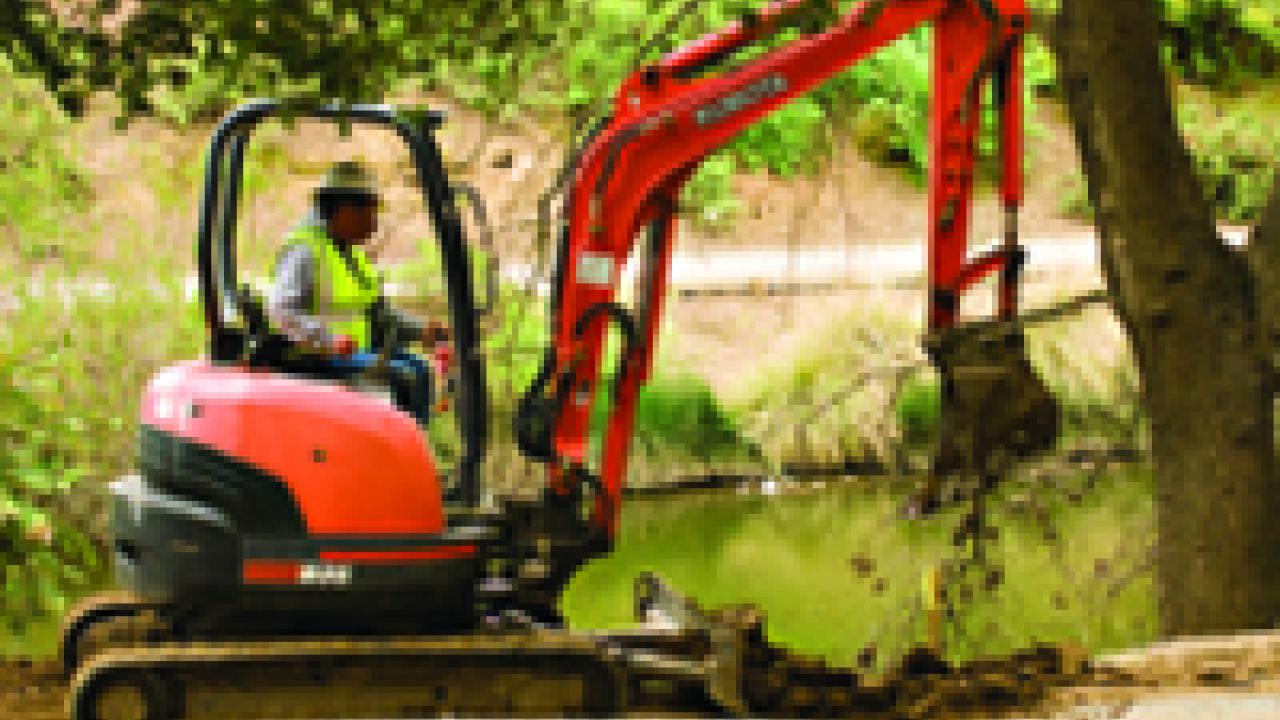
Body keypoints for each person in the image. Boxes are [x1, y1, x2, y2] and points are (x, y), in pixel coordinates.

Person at [268, 160, 448, 426]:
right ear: (343, 209)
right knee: (401, 378)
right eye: (369, 213)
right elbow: (283, 311)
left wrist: (423, 330)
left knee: (419, 370)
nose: (374, 223)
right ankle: (397, 454)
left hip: (355, 355)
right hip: (318, 361)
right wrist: (328, 340)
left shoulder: (351, 253)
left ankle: (413, 453)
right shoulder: (305, 251)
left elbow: (378, 313)